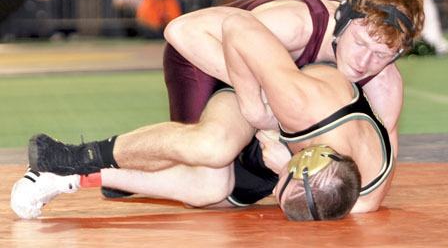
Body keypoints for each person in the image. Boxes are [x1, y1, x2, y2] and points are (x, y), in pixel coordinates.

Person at [14, 57, 395, 221]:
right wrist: (265, 122)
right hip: (248, 105)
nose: (278, 192)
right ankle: (73, 156)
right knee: (214, 149)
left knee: (210, 187)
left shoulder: (358, 196)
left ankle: (73, 179)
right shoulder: (311, 103)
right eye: (285, 186)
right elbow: (248, 47)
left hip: (263, 163)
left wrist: (281, 169)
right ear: (308, 160)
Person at [162, 0, 424, 148]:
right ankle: (123, 161)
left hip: (263, 84)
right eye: (359, 43)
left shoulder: (385, 84)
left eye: (381, 54)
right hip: (203, 56)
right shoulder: (297, 24)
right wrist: (263, 96)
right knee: (207, 162)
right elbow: (181, 30)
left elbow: (381, 164)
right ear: (343, 21)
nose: (364, 62)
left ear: (396, 53)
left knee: (227, 188)